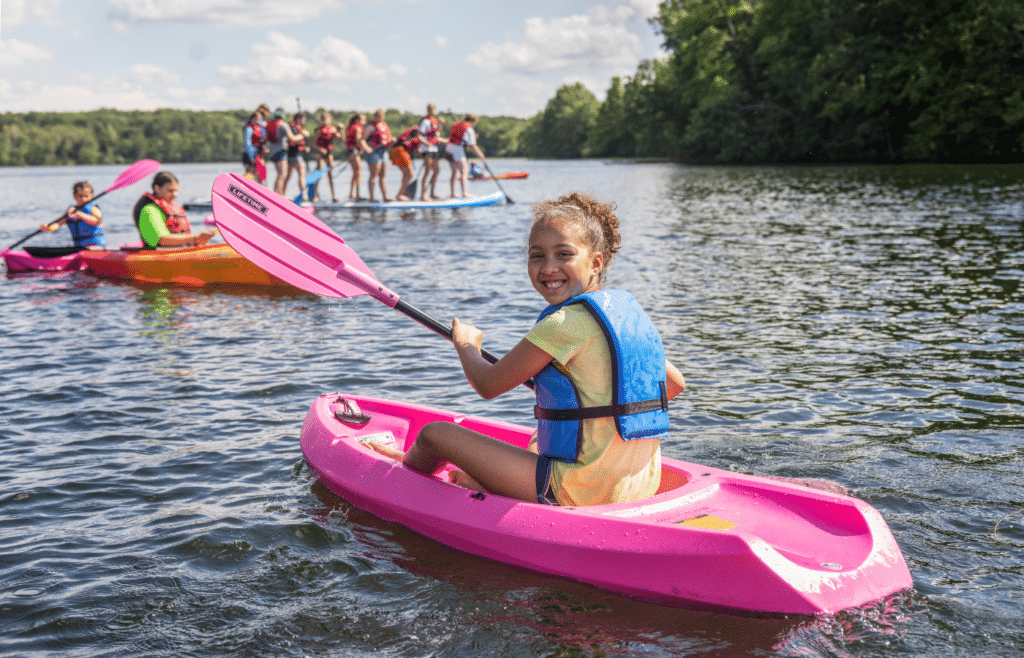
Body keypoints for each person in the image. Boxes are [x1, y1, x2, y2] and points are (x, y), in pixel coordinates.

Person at [368, 193, 686, 507]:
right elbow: (674, 385)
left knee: (435, 435)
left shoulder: (561, 323)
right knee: (533, 444)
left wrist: (465, 344)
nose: (548, 267)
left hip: (581, 490)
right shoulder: (625, 315)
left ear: (596, 262)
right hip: (639, 483)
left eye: (564, 255)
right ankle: (479, 482)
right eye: (537, 256)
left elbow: (488, 385)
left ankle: (408, 470)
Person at [132, 172, 217, 249]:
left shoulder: (173, 207)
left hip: (181, 250)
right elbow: (162, 240)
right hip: (161, 254)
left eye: (176, 191)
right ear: (157, 188)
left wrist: (199, 239)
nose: (175, 195)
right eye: (170, 191)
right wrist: (196, 238)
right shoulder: (149, 211)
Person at [39, 180, 105, 248]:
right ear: (74, 196)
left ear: (91, 196)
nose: (83, 199)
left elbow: (97, 221)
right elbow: (58, 224)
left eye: (86, 196)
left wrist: (80, 215)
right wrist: (48, 228)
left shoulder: (93, 208)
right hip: (78, 248)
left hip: (97, 247)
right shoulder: (71, 212)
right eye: (80, 196)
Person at [446, 114, 485, 198]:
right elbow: (472, 145)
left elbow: (462, 138)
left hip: (448, 148)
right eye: (474, 123)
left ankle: (452, 193)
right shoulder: (469, 129)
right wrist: (480, 154)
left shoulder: (456, 124)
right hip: (458, 150)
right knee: (464, 171)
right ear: (472, 121)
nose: (474, 125)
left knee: (454, 172)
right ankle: (464, 193)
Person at [265, 109, 301, 196]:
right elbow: (292, 138)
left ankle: (278, 195)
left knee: (280, 174)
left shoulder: (269, 124)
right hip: (281, 152)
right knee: (282, 175)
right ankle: (278, 196)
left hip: (272, 152)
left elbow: (265, 138)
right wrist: (302, 135)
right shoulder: (283, 125)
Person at [363, 109, 394, 202]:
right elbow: (362, 140)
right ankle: (372, 198)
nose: (380, 118)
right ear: (375, 117)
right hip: (374, 151)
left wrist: (392, 141)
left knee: (383, 175)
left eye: (381, 116)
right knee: (374, 175)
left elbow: (387, 139)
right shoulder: (370, 127)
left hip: (383, 151)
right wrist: (366, 148)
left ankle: (385, 196)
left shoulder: (384, 125)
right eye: (378, 116)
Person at [390, 126, 427, 201]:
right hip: (400, 150)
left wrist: (425, 155)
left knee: (407, 174)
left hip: (397, 151)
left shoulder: (415, 139)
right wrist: (429, 144)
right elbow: (419, 137)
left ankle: (401, 194)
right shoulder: (416, 129)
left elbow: (418, 150)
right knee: (409, 174)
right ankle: (399, 195)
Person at [417, 104, 446, 201]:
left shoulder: (435, 121)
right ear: (427, 110)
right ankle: (423, 195)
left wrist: (441, 124)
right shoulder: (425, 121)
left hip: (434, 149)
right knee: (427, 171)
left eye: (433, 109)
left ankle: (432, 193)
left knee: (436, 171)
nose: (432, 111)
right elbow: (419, 135)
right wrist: (426, 143)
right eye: (430, 109)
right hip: (427, 149)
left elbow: (437, 132)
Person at [314, 112, 341, 202]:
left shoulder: (333, 129)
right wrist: (320, 149)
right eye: (323, 120)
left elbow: (340, 138)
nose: (325, 122)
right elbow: (314, 143)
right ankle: (315, 196)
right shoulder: (319, 130)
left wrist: (340, 129)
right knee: (319, 174)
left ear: (330, 120)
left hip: (329, 153)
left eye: (327, 120)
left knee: (330, 175)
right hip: (320, 153)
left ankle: (333, 195)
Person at [283, 112, 310, 201]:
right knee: (302, 174)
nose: (304, 121)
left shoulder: (295, 127)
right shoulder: (294, 128)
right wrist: (303, 135)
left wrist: (304, 147)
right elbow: (294, 141)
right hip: (295, 154)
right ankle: (304, 195)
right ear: (298, 119)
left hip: (292, 154)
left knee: (289, 175)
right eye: (303, 119)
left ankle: (282, 193)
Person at [345, 113, 372, 201]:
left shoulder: (350, 127)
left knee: (355, 173)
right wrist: (366, 148)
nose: (364, 121)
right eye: (363, 120)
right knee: (358, 173)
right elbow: (358, 141)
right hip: (354, 151)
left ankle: (351, 194)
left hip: (350, 151)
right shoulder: (357, 128)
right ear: (358, 121)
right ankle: (357, 195)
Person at [242, 110, 266, 183]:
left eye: (259, 119)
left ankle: (259, 190)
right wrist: (251, 157)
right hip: (249, 155)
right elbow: (247, 143)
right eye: (257, 119)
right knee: (249, 174)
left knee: (258, 175)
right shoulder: (249, 129)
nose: (258, 121)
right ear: (252, 119)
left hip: (257, 155)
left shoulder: (259, 128)